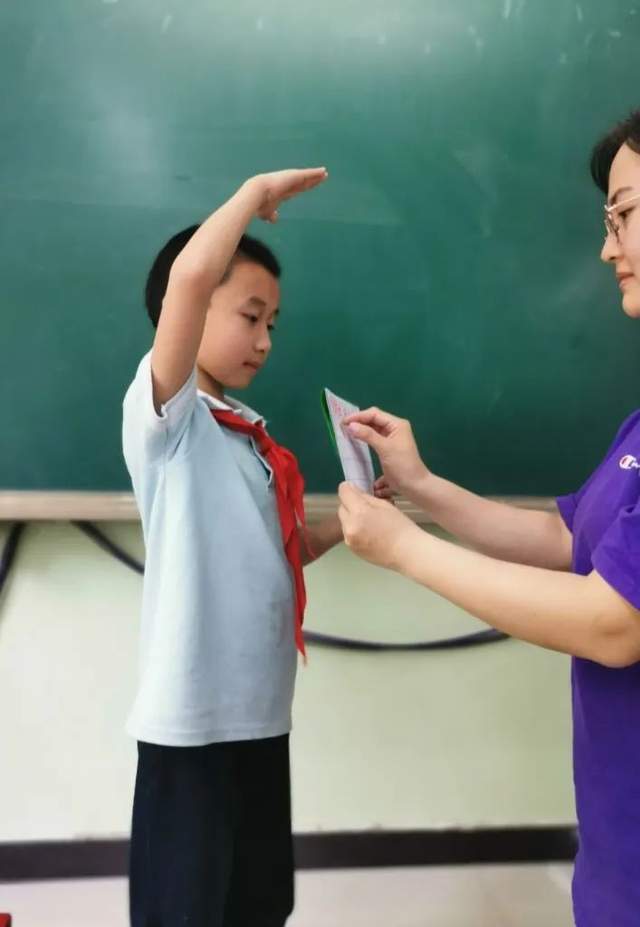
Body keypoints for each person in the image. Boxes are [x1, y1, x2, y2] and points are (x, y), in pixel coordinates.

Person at [337, 111, 640, 926]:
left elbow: (615, 622)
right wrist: (425, 489)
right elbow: (569, 543)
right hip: (618, 853)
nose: (607, 249)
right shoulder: (639, 424)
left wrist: (405, 551)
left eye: (624, 215)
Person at [122, 168, 347, 927]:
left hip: (260, 711)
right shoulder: (169, 417)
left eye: (273, 323)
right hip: (193, 720)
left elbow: (276, 554)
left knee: (255, 903)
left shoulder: (246, 433)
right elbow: (188, 277)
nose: (265, 338)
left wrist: (348, 521)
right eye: (251, 315)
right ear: (185, 313)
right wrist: (251, 196)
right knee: (184, 909)